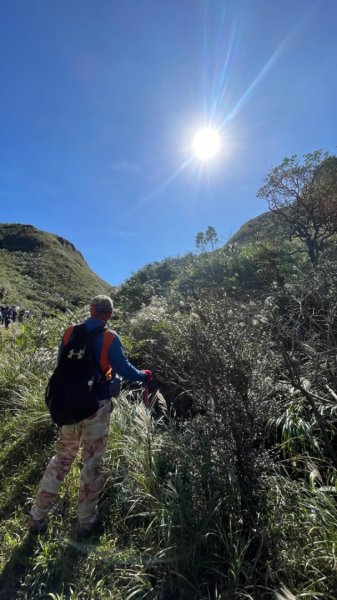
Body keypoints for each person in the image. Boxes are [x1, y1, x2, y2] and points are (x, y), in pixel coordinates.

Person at [30, 295, 152, 536]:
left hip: (67, 407)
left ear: (91, 309)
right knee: (92, 462)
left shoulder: (69, 333)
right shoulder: (110, 337)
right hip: (95, 408)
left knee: (61, 460)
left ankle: (37, 516)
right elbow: (124, 369)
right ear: (109, 314)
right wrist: (143, 375)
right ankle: (85, 522)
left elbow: (61, 365)